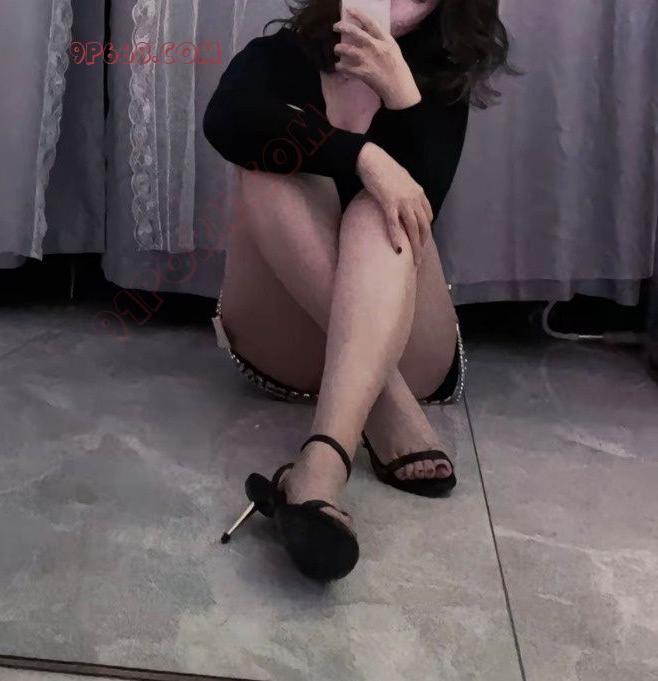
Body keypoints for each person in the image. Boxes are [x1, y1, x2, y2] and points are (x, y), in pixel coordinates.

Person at [205, 0, 515, 581]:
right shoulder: (284, 55)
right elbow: (224, 121)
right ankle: (386, 404)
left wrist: (401, 95)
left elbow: (424, 205)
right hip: (285, 348)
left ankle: (322, 463)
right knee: (269, 165)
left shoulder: (439, 75)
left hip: (412, 346)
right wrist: (363, 156)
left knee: (386, 211)